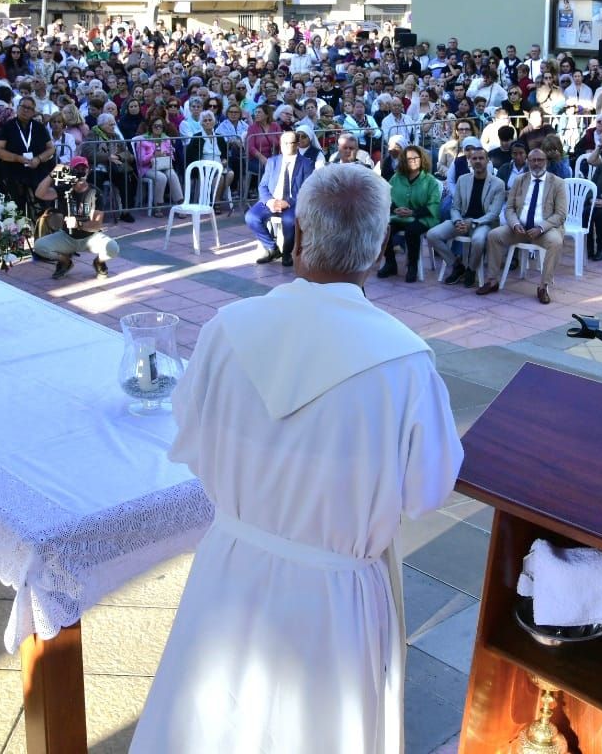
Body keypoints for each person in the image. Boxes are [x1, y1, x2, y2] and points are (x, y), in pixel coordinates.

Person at [132, 165, 463, 754]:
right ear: (381, 245)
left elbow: (193, 440)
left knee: (213, 727)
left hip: (231, 567)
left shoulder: (228, 329)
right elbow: (428, 490)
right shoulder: (404, 364)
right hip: (333, 599)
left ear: (301, 235)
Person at [476, 147, 569, 305]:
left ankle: (543, 286)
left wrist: (541, 228)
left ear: (546, 162)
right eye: (533, 160)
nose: (536, 163)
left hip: (544, 230)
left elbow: (560, 214)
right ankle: (492, 281)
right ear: (528, 162)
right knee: (494, 235)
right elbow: (509, 208)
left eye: (540, 160)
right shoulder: (520, 180)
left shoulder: (557, 183)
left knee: (556, 242)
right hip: (519, 228)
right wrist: (515, 223)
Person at [428, 146, 504, 287]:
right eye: (474, 158)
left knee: (478, 240)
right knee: (432, 235)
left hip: (483, 223)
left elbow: (493, 214)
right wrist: (458, 220)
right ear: (470, 161)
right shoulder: (462, 180)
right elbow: (455, 207)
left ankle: (471, 269)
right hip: (462, 220)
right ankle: (456, 265)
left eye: (481, 158)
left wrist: (473, 223)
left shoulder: (498, 184)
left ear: (487, 161)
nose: (478, 161)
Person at [32, 156, 120, 278]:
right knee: (39, 246)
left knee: (113, 248)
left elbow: (96, 225)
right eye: (76, 169)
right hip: (67, 236)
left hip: (90, 237)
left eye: (83, 169)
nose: (80, 173)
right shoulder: (64, 189)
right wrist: (52, 174)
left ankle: (99, 262)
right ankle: (65, 262)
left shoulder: (95, 193)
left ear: (88, 171)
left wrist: (78, 224)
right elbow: (39, 194)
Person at [246, 129, 315, 266]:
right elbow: (263, 185)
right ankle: (272, 249)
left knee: (289, 221)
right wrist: (270, 201)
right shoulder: (272, 162)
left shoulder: (306, 163)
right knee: (251, 217)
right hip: (272, 199)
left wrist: (288, 202)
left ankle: (287, 253)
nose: (287, 146)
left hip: (293, 202)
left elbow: (307, 189)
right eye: (284, 143)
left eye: (291, 143)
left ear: (297, 144)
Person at [379, 145, 441, 283]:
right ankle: (390, 263)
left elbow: (434, 204)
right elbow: (386, 198)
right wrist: (395, 209)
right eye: (409, 159)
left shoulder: (430, 181)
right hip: (399, 216)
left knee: (412, 231)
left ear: (421, 159)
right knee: (384, 228)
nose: (413, 161)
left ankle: (412, 266)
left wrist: (413, 212)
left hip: (423, 217)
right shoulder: (396, 178)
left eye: (416, 158)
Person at [0, 95, 54, 214]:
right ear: (17, 108)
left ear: (34, 112)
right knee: (16, 208)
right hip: (14, 172)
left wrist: (39, 158)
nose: (26, 110)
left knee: (43, 206)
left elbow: (51, 148)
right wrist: (17, 158)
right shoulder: (8, 126)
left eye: (29, 108)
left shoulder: (39, 127)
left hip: (37, 171)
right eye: (23, 107)